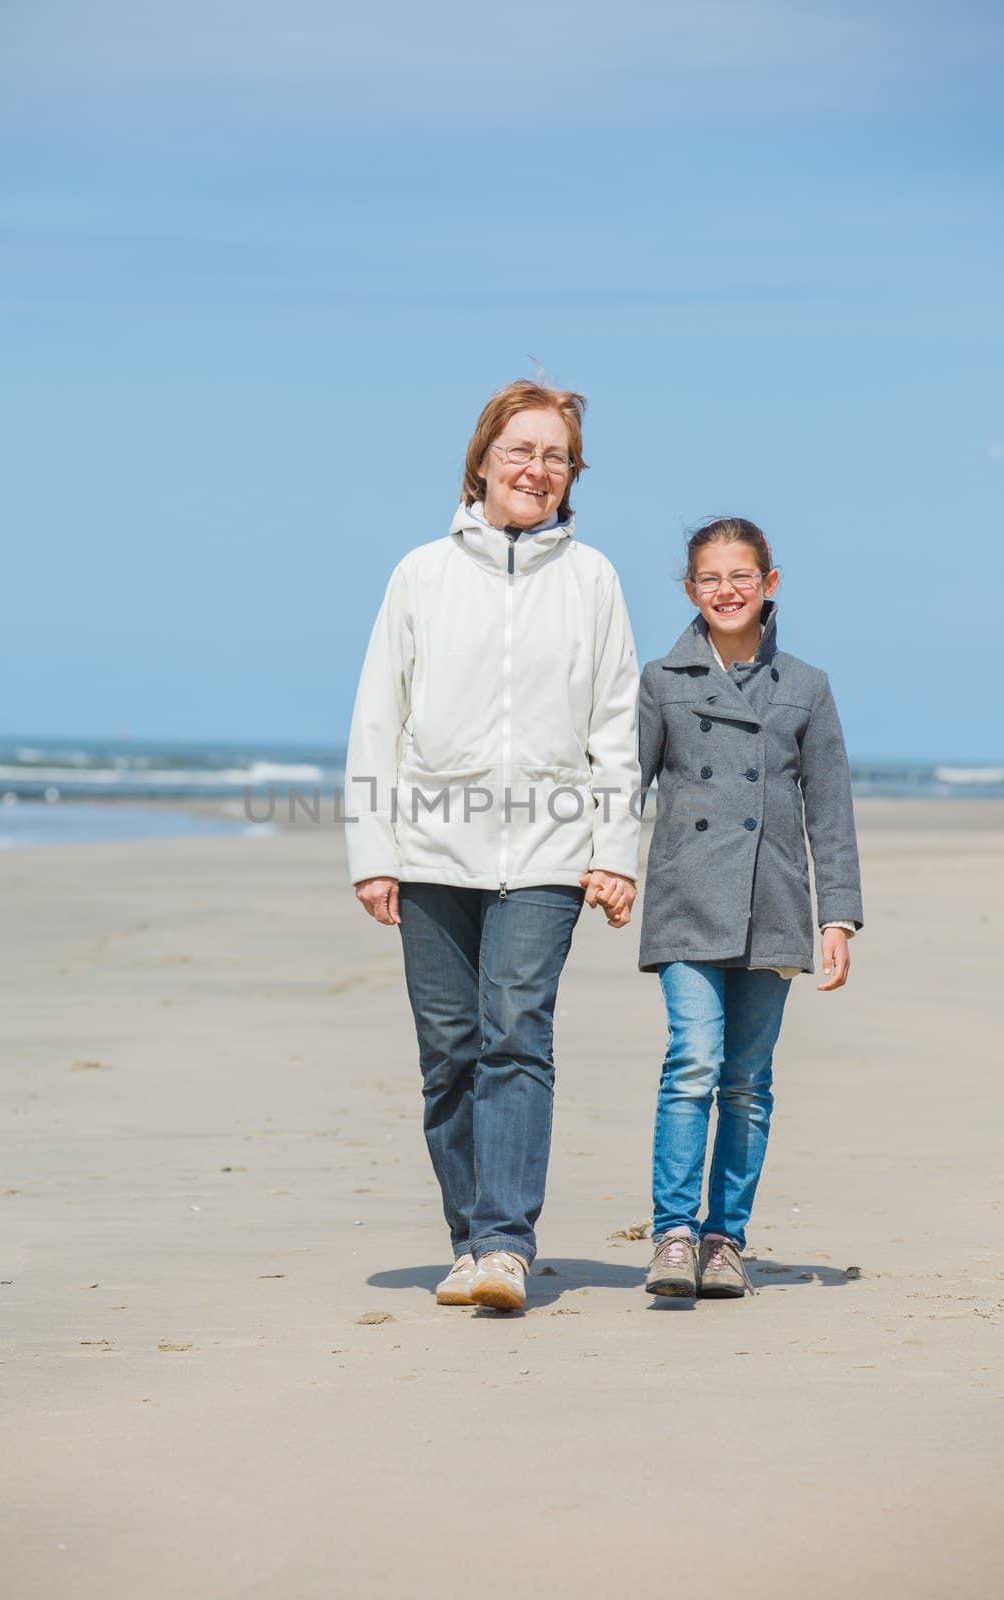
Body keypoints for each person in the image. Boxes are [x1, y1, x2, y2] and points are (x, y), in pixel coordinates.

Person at [345, 380, 641, 1311]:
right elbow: (376, 718)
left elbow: (617, 727)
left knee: (516, 1035)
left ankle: (506, 1245)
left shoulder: (591, 578)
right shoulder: (420, 575)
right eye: (520, 450)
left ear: (571, 475)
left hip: (549, 855)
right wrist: (373, 849)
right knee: (448, 1051)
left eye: (555, 456)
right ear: (481, 461)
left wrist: (614, 849)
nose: (536, 469)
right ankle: (467, 1239)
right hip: (431, 851)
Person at [638, 517, 862, 1299]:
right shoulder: (661, 679)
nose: (724, 591)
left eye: (740, 577)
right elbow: (619, 789)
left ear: (768, 583)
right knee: (692, 1057)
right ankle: (671, 1233)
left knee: (745, 1079)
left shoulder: (806, 686)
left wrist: (837, 916)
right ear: (690, 588)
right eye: (708, 578)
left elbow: (829, 812)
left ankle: (723, 1238)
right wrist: (598, 869)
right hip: (685, 899)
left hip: (772, 904)